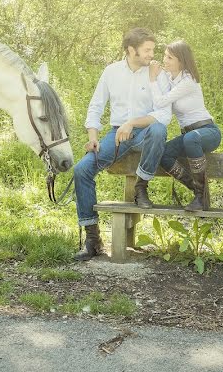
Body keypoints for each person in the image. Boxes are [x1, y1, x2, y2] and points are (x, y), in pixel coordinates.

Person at [73, 28, 172, 261]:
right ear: (131, 50)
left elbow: (164, 114)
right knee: (82, 170)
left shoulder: (157, 73)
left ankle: (141, 187)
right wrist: (93, 136)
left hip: (146, 131)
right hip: (117, 134)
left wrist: (132, 123)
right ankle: (93, 239)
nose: (151, 54)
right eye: (147, 50)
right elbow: (96, 105)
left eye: (152, 49)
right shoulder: (111, 72)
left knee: (159, 129)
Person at [149, 40, 221, 212]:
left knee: (190, 138)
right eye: (165, 56)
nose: (164, 60)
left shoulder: (188, 81)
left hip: (207, 132)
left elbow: (160, 101)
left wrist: (152, 78)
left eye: (170, 57)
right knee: (164, 154)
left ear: (181, 61)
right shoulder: (169, 78)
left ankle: (200, 197)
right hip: (190, 137)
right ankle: (199, 192)